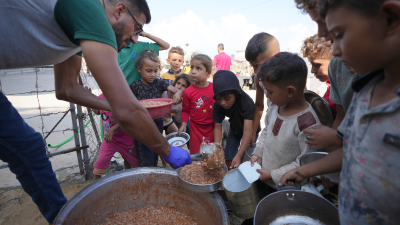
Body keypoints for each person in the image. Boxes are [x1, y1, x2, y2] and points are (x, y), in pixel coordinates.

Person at [0, 0, 191, 223]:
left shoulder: (78, 31)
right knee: (28, 148)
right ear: (120, 10)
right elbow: (126, 110)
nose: (135, 39)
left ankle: (63, 219)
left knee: (29, 147)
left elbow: (67, 89)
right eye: (136, 28)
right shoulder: (90, 9)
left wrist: (114, 106)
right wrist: (166, 149)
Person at [280, 0, 400, 224]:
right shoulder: (364, 93)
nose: (333, 49)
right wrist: (305, 171)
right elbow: (352, 150)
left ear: (390, 19)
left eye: (340, 35)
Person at [294, 0, 358, 150]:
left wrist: (336, 139)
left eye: (323, 21)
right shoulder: (337, 67)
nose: (321, 32)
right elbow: (341, 119)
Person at [251, 52, 321, 188]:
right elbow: (266, 130)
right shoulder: (274, 106)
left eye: (270, 92)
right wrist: (258, 152)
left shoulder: (307, 123)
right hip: (263, 176)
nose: (267, 95)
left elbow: (304, 163)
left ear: (290, 91)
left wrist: (272, 175)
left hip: (285, 186)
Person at [130, 50, 182, 167]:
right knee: (144, 153)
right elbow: (129, 103)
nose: (153, 74)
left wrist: (178, 93)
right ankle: (147, 175)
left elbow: (177, 90)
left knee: (155, 150)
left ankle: (153, 172)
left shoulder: (159, 83)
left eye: (155, 71)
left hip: (157, 122)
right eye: (149, 71)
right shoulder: (135, 86)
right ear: (139, 69)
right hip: (141, 125)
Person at [212, 70, 261, 169]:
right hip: (235, 129)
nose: (223, 103)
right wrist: (217, 146)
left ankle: (240, 176)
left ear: (236, 93)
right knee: (229, 155)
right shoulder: (218, 105)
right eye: (219, 99)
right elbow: (217, 127)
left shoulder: (246, 103)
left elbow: (247, 131)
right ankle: (230, 172)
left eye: (227, 99)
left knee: (243, 158)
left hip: (250, 131)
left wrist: (238, 155)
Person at [244, 33, 280, 148]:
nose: (255, 71)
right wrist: (253, 132)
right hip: (272, 122)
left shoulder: (290, 76)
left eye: (258, 66)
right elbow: (259, 106)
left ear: (275, 56)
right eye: (252, 66)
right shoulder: (258, 78)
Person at [92, 94, 139, 180]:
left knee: (135, 163)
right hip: (110, 139)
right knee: (101, 160)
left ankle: (136, 183)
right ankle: (92, 188)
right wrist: (90, 101)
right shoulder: (100, 97)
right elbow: (97, 111)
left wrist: (113, 129)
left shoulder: (121, 96)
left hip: (126, 138)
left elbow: (128, 117)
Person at [179, 54, 215, 154]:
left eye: (198, 68)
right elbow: (185, 111)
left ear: (208, 73)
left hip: (212, 129)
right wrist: (183, 124)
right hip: (195, 130)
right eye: (192, 67)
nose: (193, 71)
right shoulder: (188, 92)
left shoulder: (215, 89)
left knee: (210, 158)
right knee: (195, 158)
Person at [301, 34, 337, 119]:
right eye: (311, 64)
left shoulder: (341, 88)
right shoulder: (329, 86)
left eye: (317, 65)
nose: (312, 70)